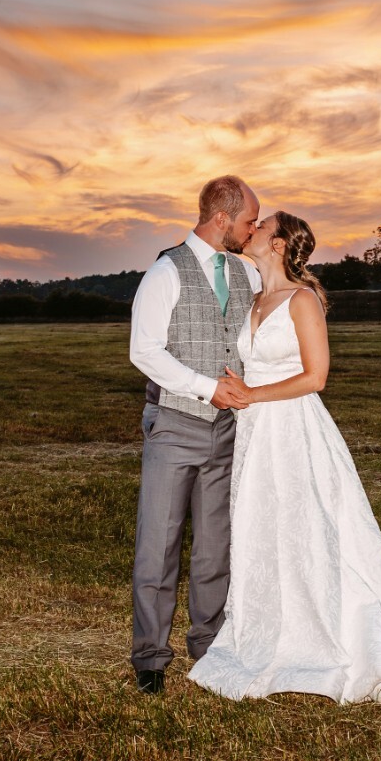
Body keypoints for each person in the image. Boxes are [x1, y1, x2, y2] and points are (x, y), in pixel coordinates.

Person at [188, 211, 381, 703]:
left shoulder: (302, 300)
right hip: (255, 433)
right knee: (264, 528)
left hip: (294, 428)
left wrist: (253, 394)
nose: (251, 230)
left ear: (279, 244)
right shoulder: (254, 299)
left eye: (261, 226)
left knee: (309, 527)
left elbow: (315, 376)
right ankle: (271, 632)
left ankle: (332, 638)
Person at [129, 175, 260, 694]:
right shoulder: (166, 271)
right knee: (158, 545)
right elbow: (144, 351)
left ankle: (209, 647)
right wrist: (207, 389)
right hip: (175, 426)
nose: (252, 231)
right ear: (222, 218)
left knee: (214, 548)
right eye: (249, 221)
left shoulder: (245, 272)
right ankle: (150, 658)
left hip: (228, 432)